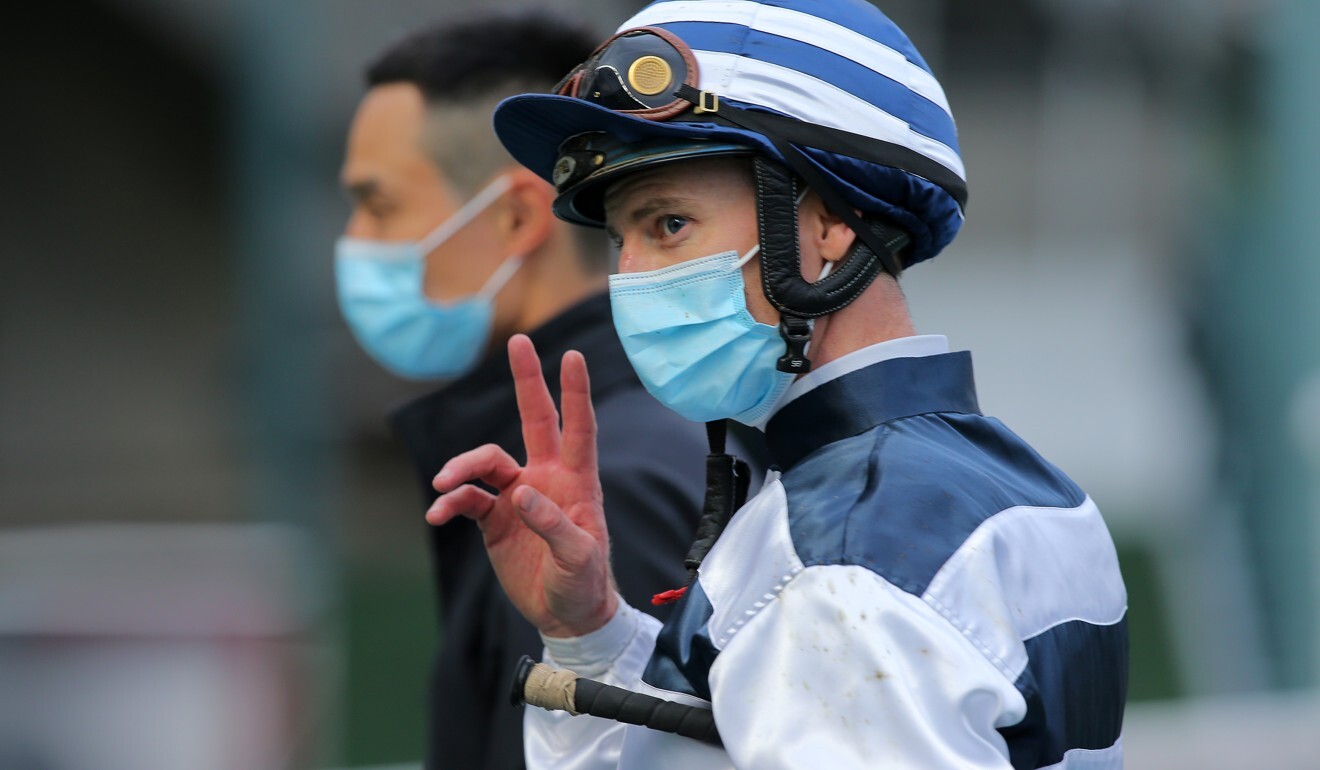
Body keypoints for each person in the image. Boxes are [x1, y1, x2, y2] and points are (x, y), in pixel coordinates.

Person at [426, 0, 1129, 768]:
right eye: (618, 240)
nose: (628, 279)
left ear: (831, 221)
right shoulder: (1012, 482)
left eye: (669, 225)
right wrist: (591, 634)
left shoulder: (836, 559)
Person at [335, 10, 726, 769]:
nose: (353, 241)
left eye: (379, 206)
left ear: (516, 216)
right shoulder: (618, 442)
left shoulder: (608, 483)